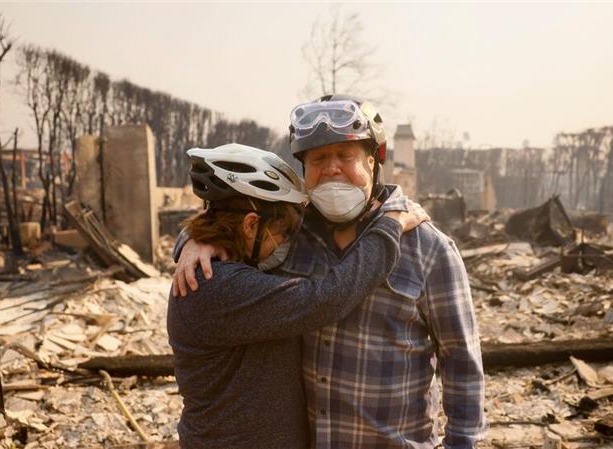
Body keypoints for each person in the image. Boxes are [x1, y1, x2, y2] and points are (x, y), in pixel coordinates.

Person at [174, 96, 486, 448]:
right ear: (304, 169)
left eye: (345, 155)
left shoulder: (428, 248)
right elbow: (237, 224)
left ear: (373, 160)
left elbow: (462, 363)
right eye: (318, 159)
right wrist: (195, 240)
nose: (332, 168)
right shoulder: (291, 235)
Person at [167, 142, 428, 449]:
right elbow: (327, 298)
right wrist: (390, 226)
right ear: (251, 225)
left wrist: (192, 239)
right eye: (282, 232)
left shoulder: (231, 264)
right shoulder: (216, 286)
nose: (287, 243)